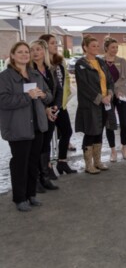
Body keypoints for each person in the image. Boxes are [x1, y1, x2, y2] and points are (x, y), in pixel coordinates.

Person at [0, 41, 53, 211]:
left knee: (33, 163)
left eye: (26, 52)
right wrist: (27, 96)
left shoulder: (36, 75)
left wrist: (43, 95)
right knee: (20, 164)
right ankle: (19, 198)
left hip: (37, 125)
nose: (24, 55)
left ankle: (31, 194)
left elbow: (49, 96)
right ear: (13, 55)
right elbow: (3, 100)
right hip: (18, 127)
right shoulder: (5, 77)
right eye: (20, 52)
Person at [74, 35, 115, 174]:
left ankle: (97, 161)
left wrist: (109, 94)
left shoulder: (101, 62)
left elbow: (109, 80)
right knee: (90, 133)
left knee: (99, 131)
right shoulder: (80, 64)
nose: (96, 48)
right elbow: (84, 87)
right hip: (91, 105)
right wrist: (100, 98)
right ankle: (88, 165)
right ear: (85, 47)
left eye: (97, 46)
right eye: (93, 46)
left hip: (105, 103)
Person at [39, 34, 77, 174]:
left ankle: (62, 162)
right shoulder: (41, 64)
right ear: (45, 45)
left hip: (61, 104)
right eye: (53, 43)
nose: (56, 45)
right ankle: (47, 167)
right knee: (47, 137)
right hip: (47, 106)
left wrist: (63, 100)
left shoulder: (60, 62)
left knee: (67, 131)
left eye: (57, 43)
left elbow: (64, 82)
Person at [30, 40, 60, 191]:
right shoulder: (28, 70)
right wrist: (46, 108)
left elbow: (57, 89)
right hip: (37, 113)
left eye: (39, 49)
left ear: (44, 52)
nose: (35, 52)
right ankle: (35, 179)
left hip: (51, 111)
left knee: (46, 143)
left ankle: (45, 177)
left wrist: (55, 107)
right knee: (36, 146)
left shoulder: (51, 69)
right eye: (33, 49)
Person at [103, 37, 126, 162]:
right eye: (113, 47)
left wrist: (115, 90)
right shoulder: (101, 62)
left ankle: (124, 147)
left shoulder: (122, 61)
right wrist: (110, 92)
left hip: (121, 94)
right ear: (107, 48)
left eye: (117, 47)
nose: (115, 49)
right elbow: (101, 80)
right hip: (107, 97)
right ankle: (113, 151)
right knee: (110, 124)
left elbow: (124, 79)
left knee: (124, 123)